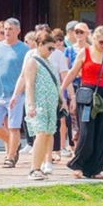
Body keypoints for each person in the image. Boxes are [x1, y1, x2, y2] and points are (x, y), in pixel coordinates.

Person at [62, 26, 103, 180]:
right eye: (101, 42)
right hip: (87, 95)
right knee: (87, 131)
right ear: (94, 40)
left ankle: (95, 169)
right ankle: (79, 165)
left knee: (102, 132)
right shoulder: (84, 52)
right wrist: (62, 88)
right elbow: (73, 72)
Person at [0, 18, 29, 168]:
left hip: (15, 94)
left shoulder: (24, 50)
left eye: (10, 29)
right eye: (5, 29)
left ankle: (10, 157)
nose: (7, 32)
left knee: (14, 127)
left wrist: (22, 92)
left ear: (18, 31)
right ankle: (14, 144)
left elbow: (27, 73)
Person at [23, 30, 62, 180]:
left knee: (48, 133)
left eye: (53, 49)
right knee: (40, 133)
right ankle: (34, 168)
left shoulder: (50, 62)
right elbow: (29, 84)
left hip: (51, 103)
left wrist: (63, 100)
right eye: (49, 48)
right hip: (38, 102)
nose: (51, 51)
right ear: (40, 45)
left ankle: (44, 164)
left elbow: (56, 83)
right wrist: (30, 104)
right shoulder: (32, 61)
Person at [48, 28, 73, 161]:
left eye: (60, 40)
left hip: (56, 93)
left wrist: (71, 96)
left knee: (57, 122)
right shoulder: (32, 54)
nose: (57, 42)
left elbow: (65, 76)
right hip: (38, 95)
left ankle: (57, 149)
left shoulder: (59, 55)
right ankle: (44, 154)